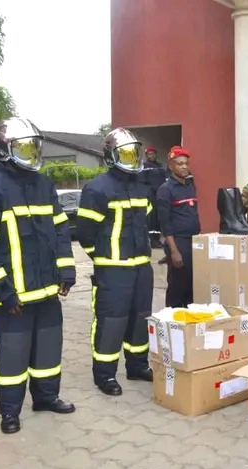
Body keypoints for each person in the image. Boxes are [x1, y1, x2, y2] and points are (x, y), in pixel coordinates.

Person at [0, 117, 76, 435]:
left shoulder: (43, 185)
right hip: (10, 298)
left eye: (34, 147)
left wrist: (66, 270)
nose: (32, 154)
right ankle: (10, 412)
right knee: (12, 356)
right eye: (25, 148)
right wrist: (4, 291)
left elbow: (60, 231)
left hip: (46, 290)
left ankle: (46, 398)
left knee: (48, 349)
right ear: (3, 150)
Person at [75, 128, 155, 396]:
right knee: (111, 322)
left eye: (134, 153)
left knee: (140, 319)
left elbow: (146, 223)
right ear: (111, 156)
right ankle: (105, 375)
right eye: (126, 153)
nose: (132, 158)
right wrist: (104, 259)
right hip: (113, 271)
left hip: (142, 266)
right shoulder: (97, 188)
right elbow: (85, 233)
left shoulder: (142, 186)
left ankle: (137, 366)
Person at [156, 146, 200, 307]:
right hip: (178, 242)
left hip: (194, 241)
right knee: (177, 285)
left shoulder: (190, 185)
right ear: (171, 166)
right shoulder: (165, 190)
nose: (184, 167)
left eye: (186, 163)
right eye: (180, 164)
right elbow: (165, 223)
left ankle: (188, 316)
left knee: (191, 284)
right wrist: (174, 251)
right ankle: (172, 315)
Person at [140, 146, 168, 249]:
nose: (152, 156)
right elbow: (141, 182)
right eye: (149, 154)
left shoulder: (160, 167)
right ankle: (151, 240)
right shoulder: (144, 167)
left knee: (158, 217)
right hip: (149, 195)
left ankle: (157, 240)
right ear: (147, 155)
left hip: (159, 195)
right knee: (151, 217)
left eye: (153, 154)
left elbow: (165, 180)